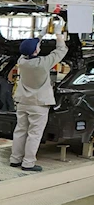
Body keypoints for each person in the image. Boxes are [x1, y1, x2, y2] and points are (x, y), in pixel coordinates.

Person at [10, 23, 68, 172]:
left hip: (22, 101)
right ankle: (28, 163)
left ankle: (15, 159)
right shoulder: (43, 63)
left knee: (20, 130)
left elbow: (28, 49)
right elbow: (62, 50)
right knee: (34, 134)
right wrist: (58, 34)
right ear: (36, 50)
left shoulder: (22, 62)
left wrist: (40, 36)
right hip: (39, 103)